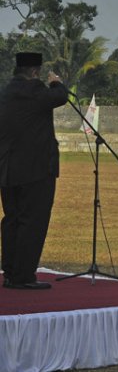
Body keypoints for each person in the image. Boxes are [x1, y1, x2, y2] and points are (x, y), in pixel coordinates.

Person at [0, 53, 68, 290]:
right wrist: (56, 81)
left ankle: (9, 271)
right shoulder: (35, 90)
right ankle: (23, 276)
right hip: (36, 170)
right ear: (34, 72)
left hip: (8, 170)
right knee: (33, 222)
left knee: (12, 220)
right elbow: (60, 96)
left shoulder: (6, 92)